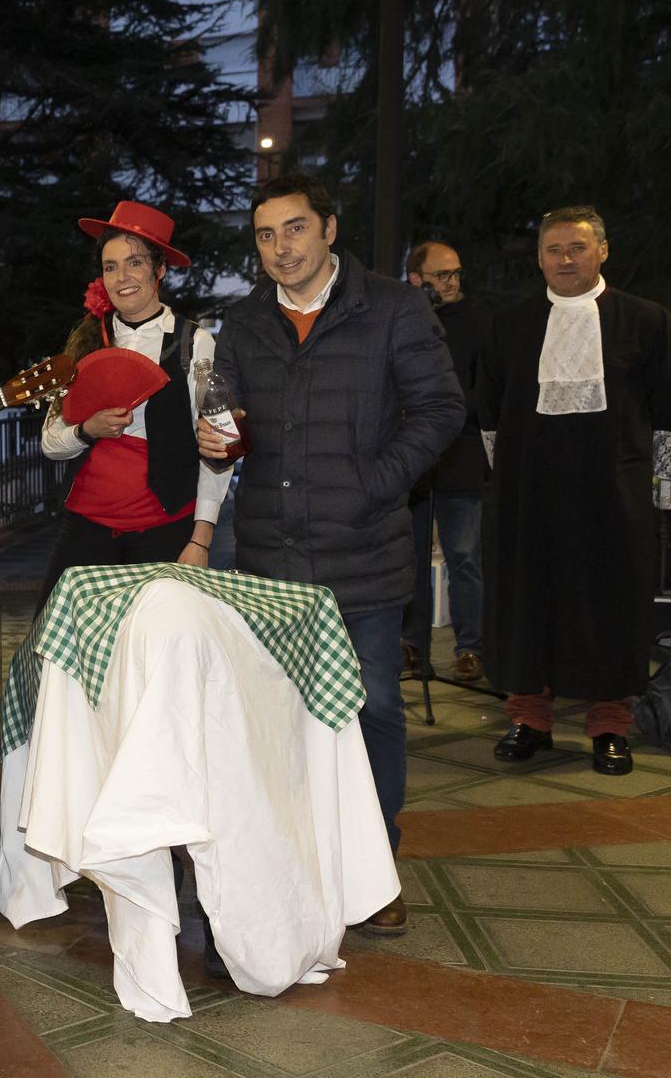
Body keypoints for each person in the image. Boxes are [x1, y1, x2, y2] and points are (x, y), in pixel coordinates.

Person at [200, 173, 463, 936]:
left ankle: (374, 867)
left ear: (329, 229)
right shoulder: (244, 320)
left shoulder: (393, 306)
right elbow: (223, 406)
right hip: (271, 556)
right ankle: (294, 861)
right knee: (282, 719)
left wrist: (375, 482)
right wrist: (216, 432)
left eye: (294, 229)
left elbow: (442, 408)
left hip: (365, 549)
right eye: (265, 235)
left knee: (373, 709)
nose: (280, 248)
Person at [479, 206, 671, 777]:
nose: (565, 260)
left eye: (578, 248)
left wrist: (663, 492)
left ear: (603, 251)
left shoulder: (648, 321)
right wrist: (503, 482)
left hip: (615, 493)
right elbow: (488, 413)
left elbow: (667, 414)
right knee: (526, 603)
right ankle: (529, 720)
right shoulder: (509, 324)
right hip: (528, 494)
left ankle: (610, 727)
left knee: (611, 605)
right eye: (554, 250)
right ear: (539, 257)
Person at [41, 202, 229, 597]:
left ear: (159, 270)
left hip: (164, 530)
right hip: (87, 529)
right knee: (60, 641)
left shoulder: (194, 343)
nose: (121, 277)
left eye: (135, 263)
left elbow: (217, 445)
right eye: (110, 266)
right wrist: (86, 430)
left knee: (157, 650)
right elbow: (50, 444)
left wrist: (201, 538)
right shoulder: (86, 341)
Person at [401, 241, 490, 683]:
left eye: (456, 273)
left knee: (465, 557)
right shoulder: (405, 319)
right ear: (416, 279)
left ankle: (470, 647)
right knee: (410, 557)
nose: (452, 282)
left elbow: (488, 390)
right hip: (415, 462)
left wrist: (443, 405)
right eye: (442, 275)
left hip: (464, 457)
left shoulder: (478, 322)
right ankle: (413, 646)